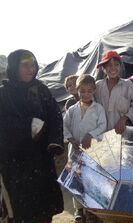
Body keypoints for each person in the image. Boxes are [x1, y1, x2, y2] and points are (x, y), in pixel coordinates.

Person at [0, 49, 64, 222]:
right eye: (25, 65)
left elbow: (55, 116)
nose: (31, 69)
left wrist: (54, 142)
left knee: (44, 210)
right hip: (16, 164)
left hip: (41, 160)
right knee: (23, 211)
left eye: (33, 64)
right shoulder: (4, 94)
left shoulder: (41, 89)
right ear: (14, 67)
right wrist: (28, 125)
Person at [63, 74, 107, 222]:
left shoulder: (98, 109)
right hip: (75, 150)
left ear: (94, 91)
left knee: (90, 181)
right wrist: (70, 138)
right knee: (75, 179)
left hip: (92, 151)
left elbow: (103, 126)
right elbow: (64, 126)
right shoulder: (72, 109)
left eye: (89, 91)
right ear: (78, 90)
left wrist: (90, 135)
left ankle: (91, 211)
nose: (86, 94)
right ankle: (78, 210)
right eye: (82, 91)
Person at [95, 50, 133, 134]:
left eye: (116, 64)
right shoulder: (97, 86)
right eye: (109, 65)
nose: (113, 68)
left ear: (120, 66)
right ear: (103, 68)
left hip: (122, 133)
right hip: (101, 135)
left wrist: (125, 118)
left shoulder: (128, 85)